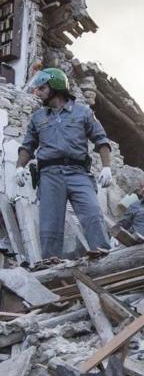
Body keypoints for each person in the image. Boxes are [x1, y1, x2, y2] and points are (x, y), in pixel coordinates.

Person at [15, 68, 112, 259]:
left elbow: (101, 140)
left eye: (42, 88)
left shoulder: (83, 112)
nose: (38, 92)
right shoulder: (37, 118)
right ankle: (52, 271)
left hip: (78, 173)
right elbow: (27, 146)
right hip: (49, 175)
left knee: (93, 216)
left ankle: (106, 261)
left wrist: (107, 166)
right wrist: (19, 166)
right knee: (50, 227)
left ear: (56, 87)